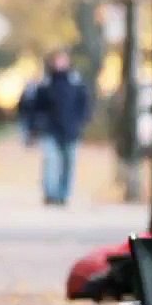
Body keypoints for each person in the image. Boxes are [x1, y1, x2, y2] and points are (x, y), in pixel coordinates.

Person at [26, 50, 91, 206]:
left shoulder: (76, 83)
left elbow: (84, 104)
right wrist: (36, 124)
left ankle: (63, 194)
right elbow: (36, 106)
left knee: (69, 163)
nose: (59, 64)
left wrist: (80, 121)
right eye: (57, 60)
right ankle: (50, 194)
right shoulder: (46, 83)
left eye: (62, 60)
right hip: (50, 129)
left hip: (71, 130)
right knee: (50, 161)